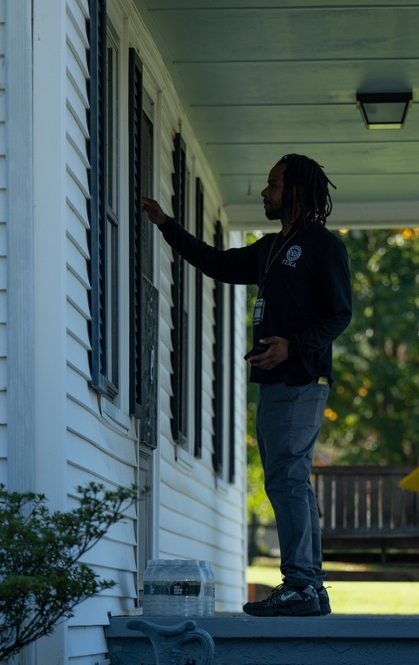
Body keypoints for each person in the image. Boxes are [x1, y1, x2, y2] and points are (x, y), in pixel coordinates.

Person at [142, 154, 352, 617]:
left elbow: (339, 315)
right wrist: (166, 225)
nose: (265, 191)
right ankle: (310, 588)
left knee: (287, 480)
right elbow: (215, 262)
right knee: (291, 481)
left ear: (296, 191)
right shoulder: (272, 247)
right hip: (276, 383)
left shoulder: (324, 246)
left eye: (274, 184)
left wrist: (291, 346)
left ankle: (299, 585)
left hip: (300, 380)